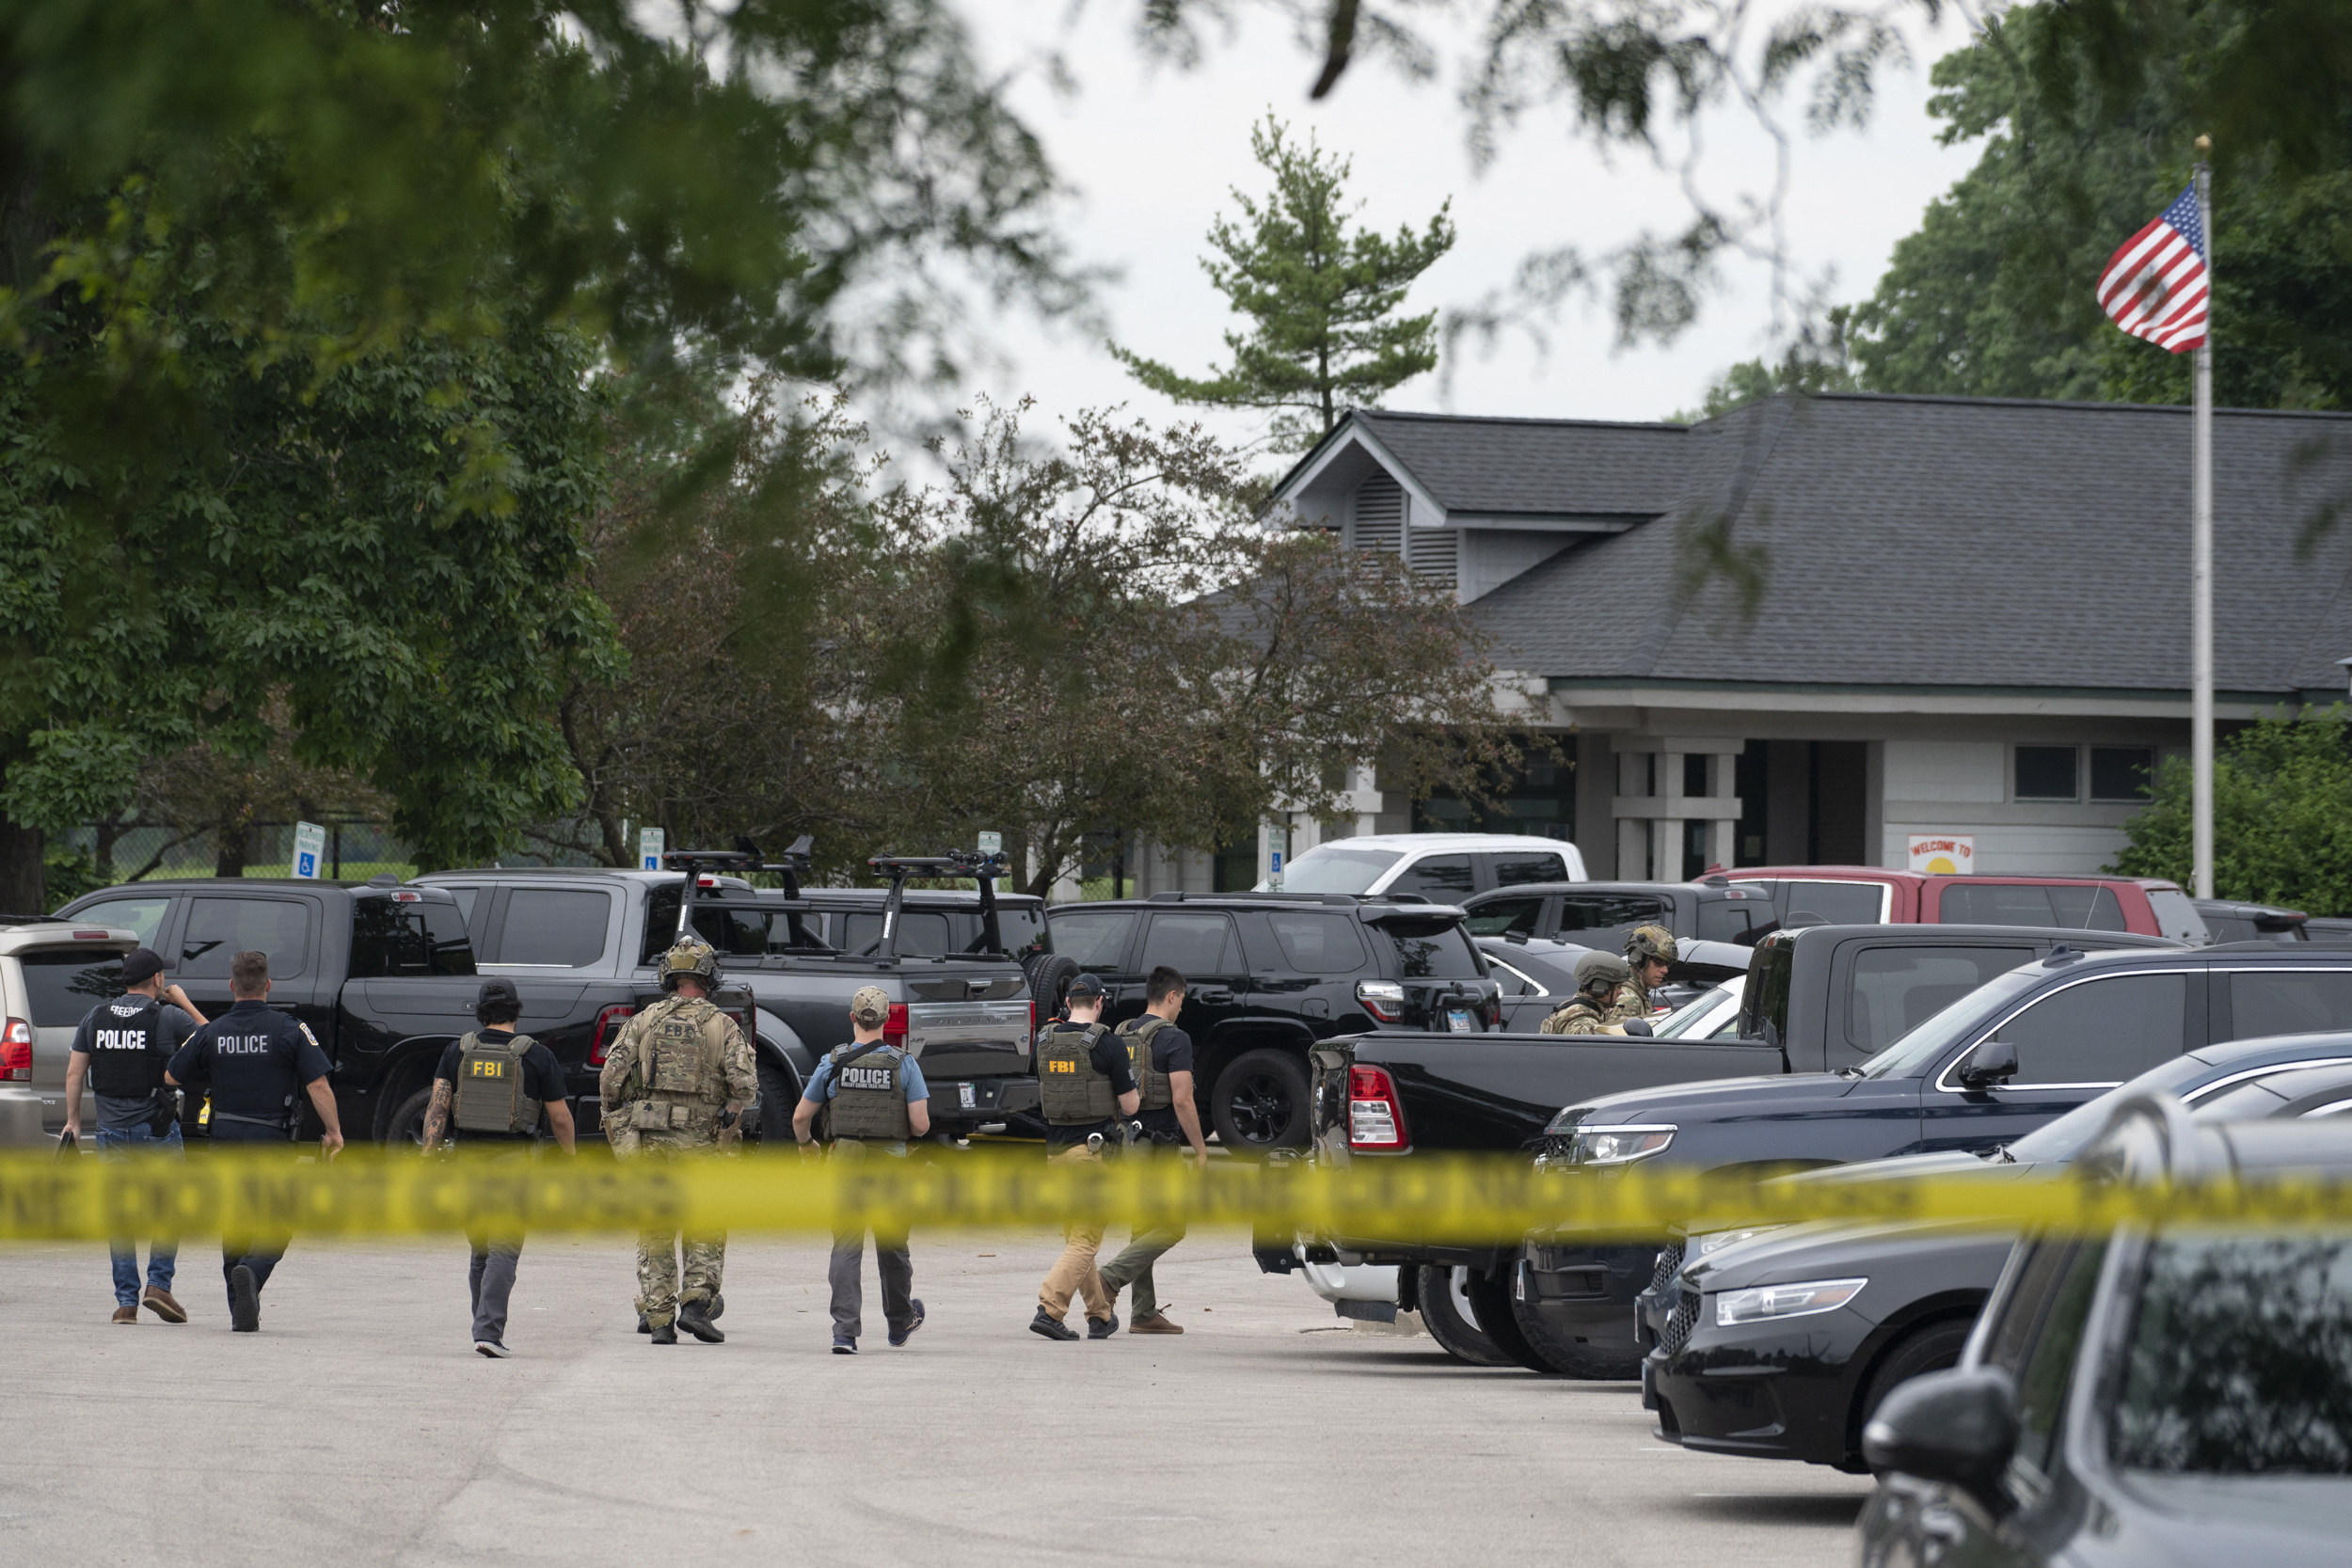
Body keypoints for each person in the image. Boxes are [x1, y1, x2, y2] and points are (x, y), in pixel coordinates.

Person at [164, 949, 343, 1332]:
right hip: (272, 1138)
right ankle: (253, 1272)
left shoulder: (212, 1032)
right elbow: (318, 1084)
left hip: (224, 1137)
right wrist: (333, 1132)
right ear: (268, 985)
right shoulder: (289, 1029)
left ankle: (240, 1311)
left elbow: (172, 1077)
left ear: (232, 986)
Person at [597, 934, 755, 1346]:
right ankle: (697, 1306)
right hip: (702, 1144)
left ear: (670, 975)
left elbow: (610, 1078)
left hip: (650, 1142)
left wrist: (622, 1115)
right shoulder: (723, 1026)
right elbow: (746, 1087)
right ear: (709, 977)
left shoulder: (643, 1021)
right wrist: (729, 1117)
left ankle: (659, 1318)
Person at [419, 977, 576, 1357]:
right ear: (516, 1011)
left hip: (466, 1164)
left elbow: (437, 1107)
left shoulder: (457, 1051)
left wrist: (427, 1156)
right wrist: (570, 1157)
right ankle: (487, 1332)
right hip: (513, 1165)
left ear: (480, 1011)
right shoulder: (536, 1055)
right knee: (504, 1249)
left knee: (482, 1250)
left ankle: (482, 1326)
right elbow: (559, 1118)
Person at [62, 946, 206, 1324]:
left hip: (110, 1135)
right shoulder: (168, 1016)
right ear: (158, 979)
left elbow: (75, 1073)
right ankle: (158, 1285)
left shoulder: (95, 1017)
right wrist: (185, 1002)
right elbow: (212, 1039)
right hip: (157, 1133)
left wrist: (73, 1122)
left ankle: (126, 1303)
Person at [791, 986, 930, 1354]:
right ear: (886, 1021)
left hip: (846, 1163)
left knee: (847, 1247)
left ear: (852, 1018)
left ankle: (845, 1333)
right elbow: (921, 1125)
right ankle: (900, 1323)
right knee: (893, 1247)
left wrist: (807, 1147)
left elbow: (801, 1116)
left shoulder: (832, 1061)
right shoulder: (904, 1064)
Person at [1097, 965, 1211, 1336]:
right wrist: (1201, 1151)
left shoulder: (1120, 1033)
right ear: (1172, 996)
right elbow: (1182, 1100)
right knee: (1173, 1225)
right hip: (1159, 1147)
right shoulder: (1175, 1039)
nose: (1181, 1009)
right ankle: (1109, 1279)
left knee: (1143, 1226)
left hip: (1127, 1143)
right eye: (1182, 1000)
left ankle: (1143, 1312)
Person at [1028, 972, 1138, 1342]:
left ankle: (1099, 1315)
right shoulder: (1108, 1044)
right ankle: (1050, 1307)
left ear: (1068, 1004)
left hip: (1055, 1153)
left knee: (1078, 1237)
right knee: (1086, 1238)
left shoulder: (1043, 1041)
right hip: (1091, 1155)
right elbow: (1130, 1104)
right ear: (1099, 1002)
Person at [1538, 951, 1643, 1036]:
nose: (1621, 992)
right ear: (1600, 987)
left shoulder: (1572, 1009)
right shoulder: (1583, 1022)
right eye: (1618, 987)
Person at [1623, 925, 1677, 1016]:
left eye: (1666, 964)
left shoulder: (1639, 992)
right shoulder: (1627, 999)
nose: (1665, 970)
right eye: (1658, 962)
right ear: (1638, 959)